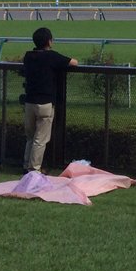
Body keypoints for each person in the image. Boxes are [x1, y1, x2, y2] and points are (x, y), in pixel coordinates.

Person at [21, 27, 78, 173]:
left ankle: (26, 165)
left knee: (30, 137)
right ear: (49, 41)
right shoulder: (51, 56)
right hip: (45, 103)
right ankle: (34, 170)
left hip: (29, 102)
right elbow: (74, 62)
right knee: (40, 139)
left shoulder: (28, 56)